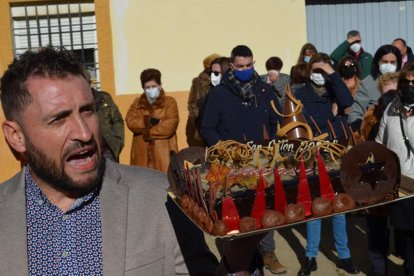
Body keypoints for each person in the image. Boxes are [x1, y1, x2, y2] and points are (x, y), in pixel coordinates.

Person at [0, 46, 189, 275]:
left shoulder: (161, 196)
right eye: (59, 119)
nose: (84, 133)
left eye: (88, 111)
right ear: (17, 137)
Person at [200, 45, 285, 275]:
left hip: (260, 163)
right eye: (240, 67)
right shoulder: (219, 94)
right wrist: (224, 148)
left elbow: (274, 125)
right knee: (236, 218)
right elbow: (207, 127)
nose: (245, 70)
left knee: (264, 210)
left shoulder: (264, 91)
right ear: (232, 66)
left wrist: (272, 150)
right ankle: (237, 264)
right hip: (231, 165)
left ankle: (268, 253)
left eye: (249, 65)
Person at [294, 53, 359, 276]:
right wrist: (331, 116)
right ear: (309, 71)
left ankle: (344, 255)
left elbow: (348, 101)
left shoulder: (335, 88)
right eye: (317, 70)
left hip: (336, 152)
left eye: (324, 71)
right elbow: (307, 122)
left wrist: (332, 74)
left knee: (339, 207)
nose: (320, 75)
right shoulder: (301, 93)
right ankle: (311, 256)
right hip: (315, 153)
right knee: (316, 206)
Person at [375, 62, 414, 276]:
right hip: (401, 185)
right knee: (406, 239)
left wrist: (408, 119)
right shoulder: (391, 108)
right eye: (406, 82)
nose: (410, 86)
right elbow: (381, 143)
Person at [125, 68, 179, 173]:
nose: (151, 90)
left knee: (166, 184)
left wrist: (147, 133)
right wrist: (147, 122)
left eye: (153, 86)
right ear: (143, 88)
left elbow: (169, 126)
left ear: (160, 85)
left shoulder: (169, 102)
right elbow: (130, 121)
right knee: (142, 184)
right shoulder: (137, 103)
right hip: (141, 156)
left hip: (163, 156)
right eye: (147, 87)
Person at [347, 45, 402, 132]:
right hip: (375, 133)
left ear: (398, 64)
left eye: (392, 62)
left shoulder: (405, 82)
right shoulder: (368, 83)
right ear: (378, 62)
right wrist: (362, 128)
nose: (389, 65)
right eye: (385, 61)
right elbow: (355, 113)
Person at [186, 53, 221, 147]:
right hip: (204, 125)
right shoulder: (198, 82)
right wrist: (200, 122)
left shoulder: (223, 78)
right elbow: (193, 105)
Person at [91, 88, 125, 162]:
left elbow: (117, 121)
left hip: (108, 150)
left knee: (111, 173)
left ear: (89, 83)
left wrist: (119, 142)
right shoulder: (75, 101)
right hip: (89, 151)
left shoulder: (104, 98)